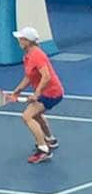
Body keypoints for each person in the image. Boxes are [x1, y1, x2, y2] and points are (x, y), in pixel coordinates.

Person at [8, 26, 63, 164]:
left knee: (27, 116)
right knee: (36, 114)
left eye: (21, 39)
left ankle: (43, 150)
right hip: (47, 91)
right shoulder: (28, 55)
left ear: (28, 41)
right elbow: (29, 77)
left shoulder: (37, 55)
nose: (19, 41)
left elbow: (46, 76)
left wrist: (36, 94)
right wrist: (17, 91)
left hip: (51, 93)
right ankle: (50, 140)